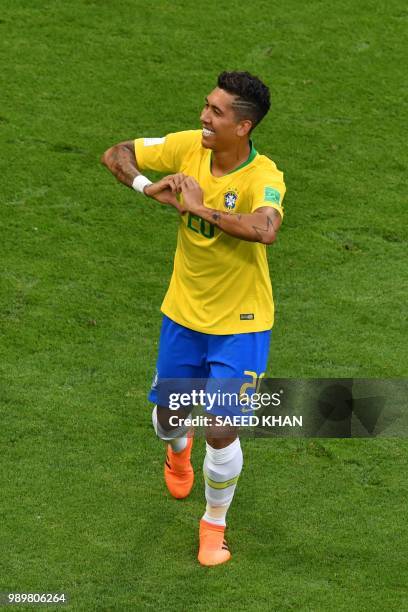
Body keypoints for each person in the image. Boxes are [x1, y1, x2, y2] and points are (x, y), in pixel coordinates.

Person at [101, 71, 286, 566]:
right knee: (169, 421)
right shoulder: (188, 147)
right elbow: (116, 152)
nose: (204, 117)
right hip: (183, 315)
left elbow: (265, 229)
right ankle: (176, 449)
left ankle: (213, 527)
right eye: (207, 106)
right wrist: (147, 187)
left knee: (222, 428)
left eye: (217, 112)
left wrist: (202, 209)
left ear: (243, 127)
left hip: (242, 324)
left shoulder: (264, 176)